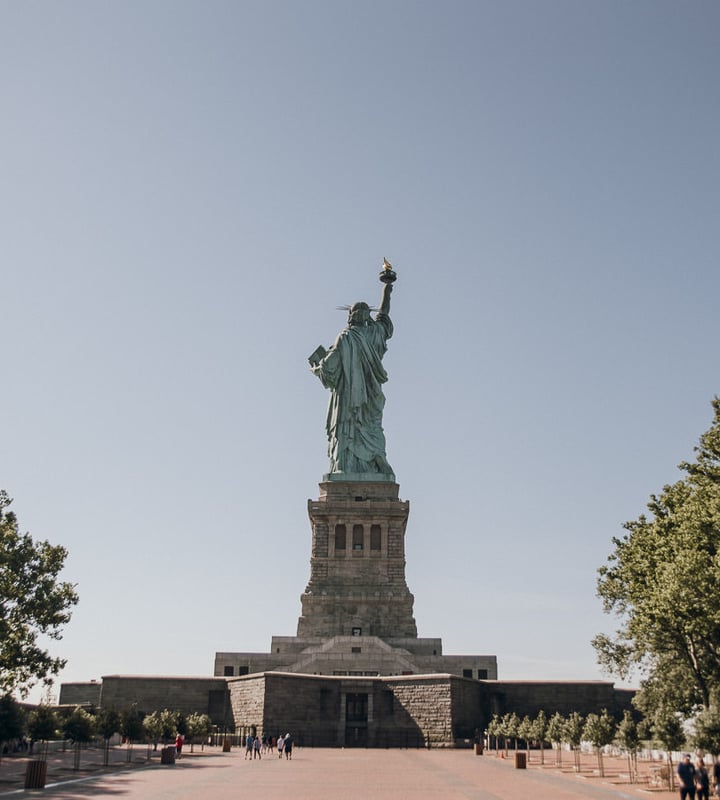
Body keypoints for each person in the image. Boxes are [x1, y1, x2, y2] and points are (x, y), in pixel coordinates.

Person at [310, 268, 396, 477]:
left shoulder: (346, 337)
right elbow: (384, 316)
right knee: (372, 429)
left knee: (347, 429)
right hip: (369, 399)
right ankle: (376, 463)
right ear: (368, 317)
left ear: (350, 317)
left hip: (349, 402)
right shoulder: (373, 334)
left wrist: (317, 366)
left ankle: (344, 466)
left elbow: (329, 368)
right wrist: (387, 288)